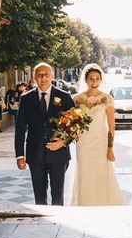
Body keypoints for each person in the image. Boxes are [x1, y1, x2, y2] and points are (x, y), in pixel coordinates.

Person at [15, 63, 75, 205]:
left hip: (59, 154)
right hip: (35, 154)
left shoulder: (64, 97)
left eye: (46, 74)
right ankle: (41, 223)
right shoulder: (26, 99)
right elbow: (20, 129)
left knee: (58, 195)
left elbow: (75, 125)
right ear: (34, 77)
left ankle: (58, 222)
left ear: (52, 76)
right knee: (39, 196)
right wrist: (19, 155)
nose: (43, 78)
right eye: (39, 75)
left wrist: (63, 142)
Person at [69, 64, 124, 206]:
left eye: (97, 79)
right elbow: (72, 122)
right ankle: (84, 205)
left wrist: (110, 148)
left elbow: (111, 125)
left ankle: (103, 205)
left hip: (100, 143)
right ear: (85, 80)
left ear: (101, 80)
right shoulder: (77, 99)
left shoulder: (107, 99)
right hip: (83, 144)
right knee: (85, 174)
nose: (94, 82)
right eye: (91, 79)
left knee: (101, 174)